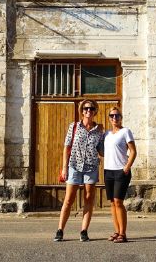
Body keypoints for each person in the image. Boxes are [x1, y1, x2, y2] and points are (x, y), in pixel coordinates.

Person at [54, 99, 104, 242]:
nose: (89, 111)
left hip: (91, 167)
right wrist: (64, 168)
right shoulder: (74, 126)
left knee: (88, 199)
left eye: (92, 108)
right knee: (69, 199)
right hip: (74, 166)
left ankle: (84, 231)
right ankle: (60, 230)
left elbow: (101, 151)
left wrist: (111, 139)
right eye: (86, 108)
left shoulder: (99, 130)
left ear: (95, 111)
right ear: (82, 111)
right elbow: (66, 147)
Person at [103, 106, 136, 243]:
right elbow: (103, 152)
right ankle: (117, 231)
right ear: (109, 118)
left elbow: (133, 151)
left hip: (121, 171)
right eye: (112, 116)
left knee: (118, 202)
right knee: (112, 203)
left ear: (121, 117)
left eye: (117, 115)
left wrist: (127, 167)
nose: (114, 118)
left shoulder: (126, 131)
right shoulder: (106, 134)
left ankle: (123, 233)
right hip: (108, 171)